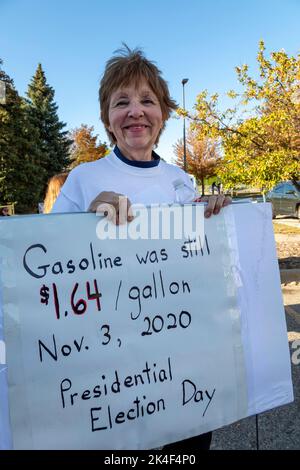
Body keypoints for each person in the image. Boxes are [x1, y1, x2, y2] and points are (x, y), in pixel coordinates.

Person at [52, 45, 231, 450]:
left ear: (163, 114)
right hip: (110, 377)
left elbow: (203, 266)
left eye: (147, 100)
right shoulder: (84, 178)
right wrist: (81, 220)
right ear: (108, 119)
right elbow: (46, 266)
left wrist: (216, 217)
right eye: (122, 102)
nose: (136, 111)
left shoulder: (180, 180)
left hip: (182, 373)